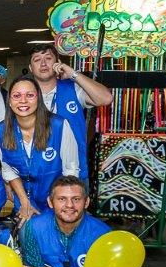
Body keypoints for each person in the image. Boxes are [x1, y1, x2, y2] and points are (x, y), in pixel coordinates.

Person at [0, 76, 80, 225]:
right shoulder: (1, 130)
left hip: (56, 201)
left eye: (30, 95)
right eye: (17, 96)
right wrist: (24, 202)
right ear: (9, 101)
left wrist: (61, 203)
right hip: (24, 201)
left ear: (38, 98)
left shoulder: (59, 125)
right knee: (28, 235)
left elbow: (71, 169)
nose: (23, 101)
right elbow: (8, 170)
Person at [27, 43, 113, 182]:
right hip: (35, 174)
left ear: (58, 62)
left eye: (48, 58)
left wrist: (73, 74)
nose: (43, 63)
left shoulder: (73, 89)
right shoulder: (24, 95)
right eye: (37, 60)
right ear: (31, 68)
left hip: (74, 173)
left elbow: (106, 98)